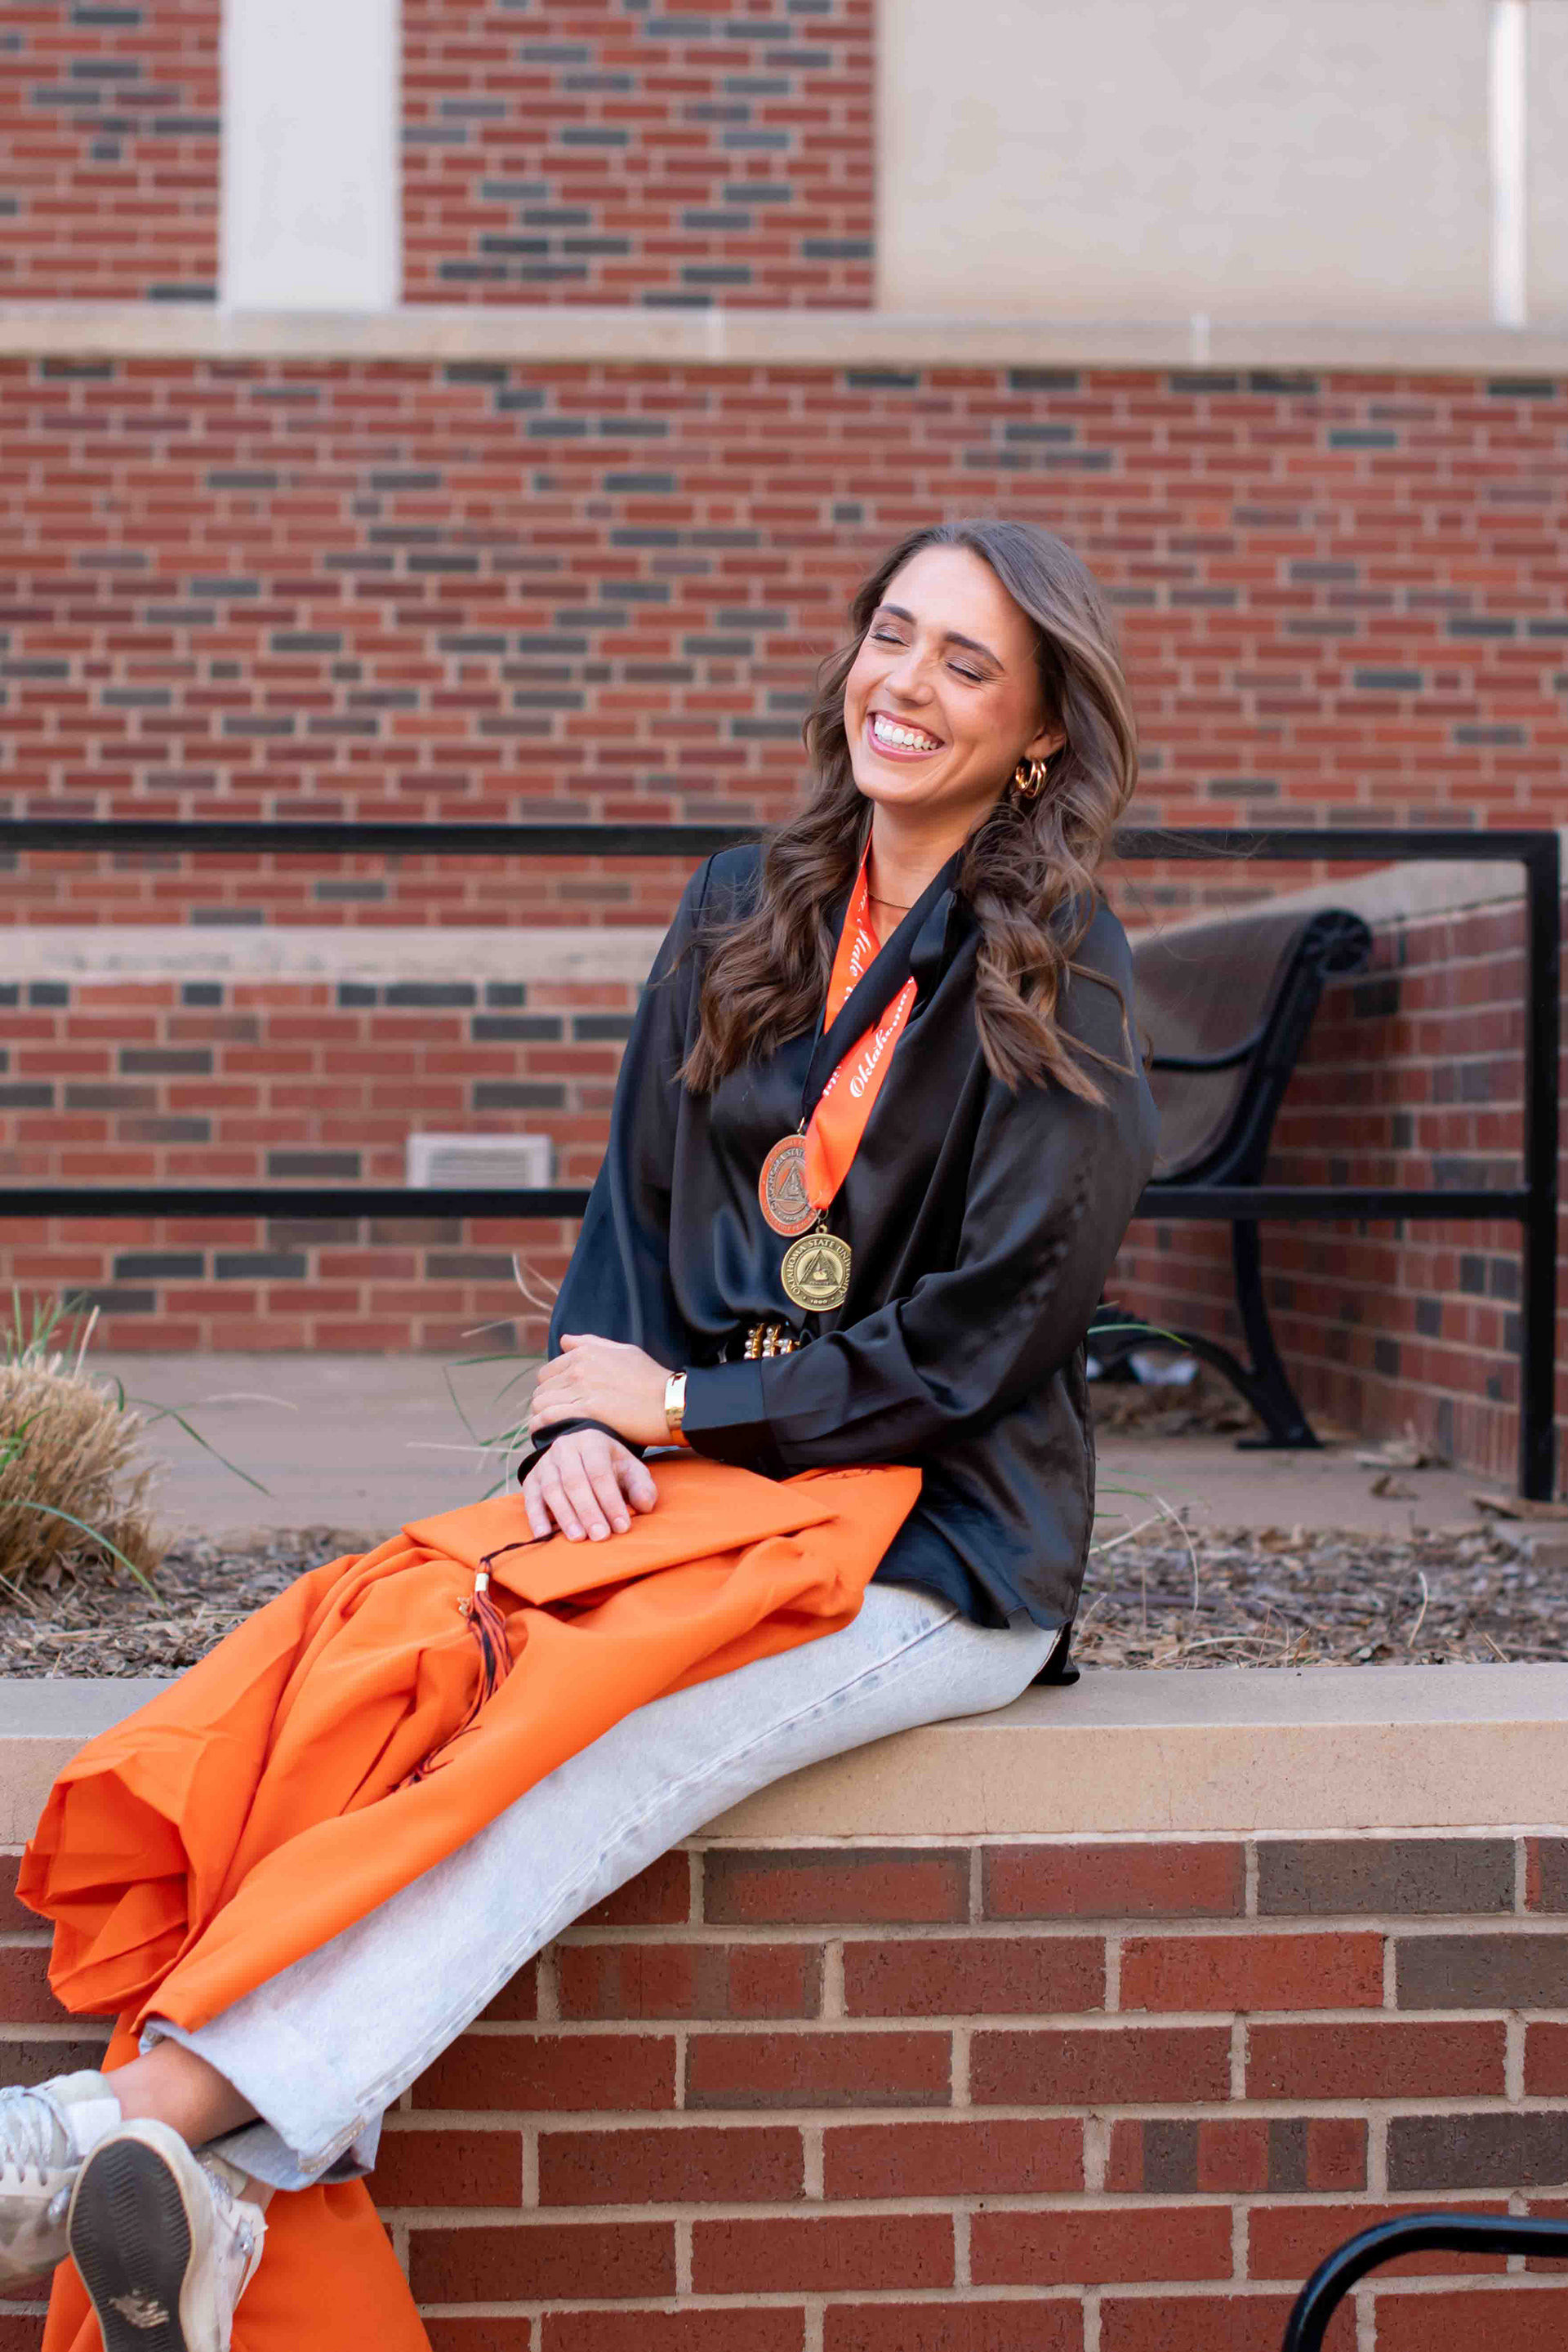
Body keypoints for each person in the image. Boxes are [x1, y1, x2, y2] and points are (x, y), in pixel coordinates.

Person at [0, 515, 1159, 2352]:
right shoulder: (737, 910)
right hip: (700, 1499)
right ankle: (228, 2195)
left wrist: (690, 1405)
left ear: (1035, 736)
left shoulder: (1058, 965)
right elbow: (631, 1218)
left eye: (966, 664)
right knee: (389, 1673)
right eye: (891, 633)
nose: (906, 683)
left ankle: (122, 2125)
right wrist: (571, 1432)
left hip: (937, 1543)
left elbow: (997, 1330)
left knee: (577, 1755)